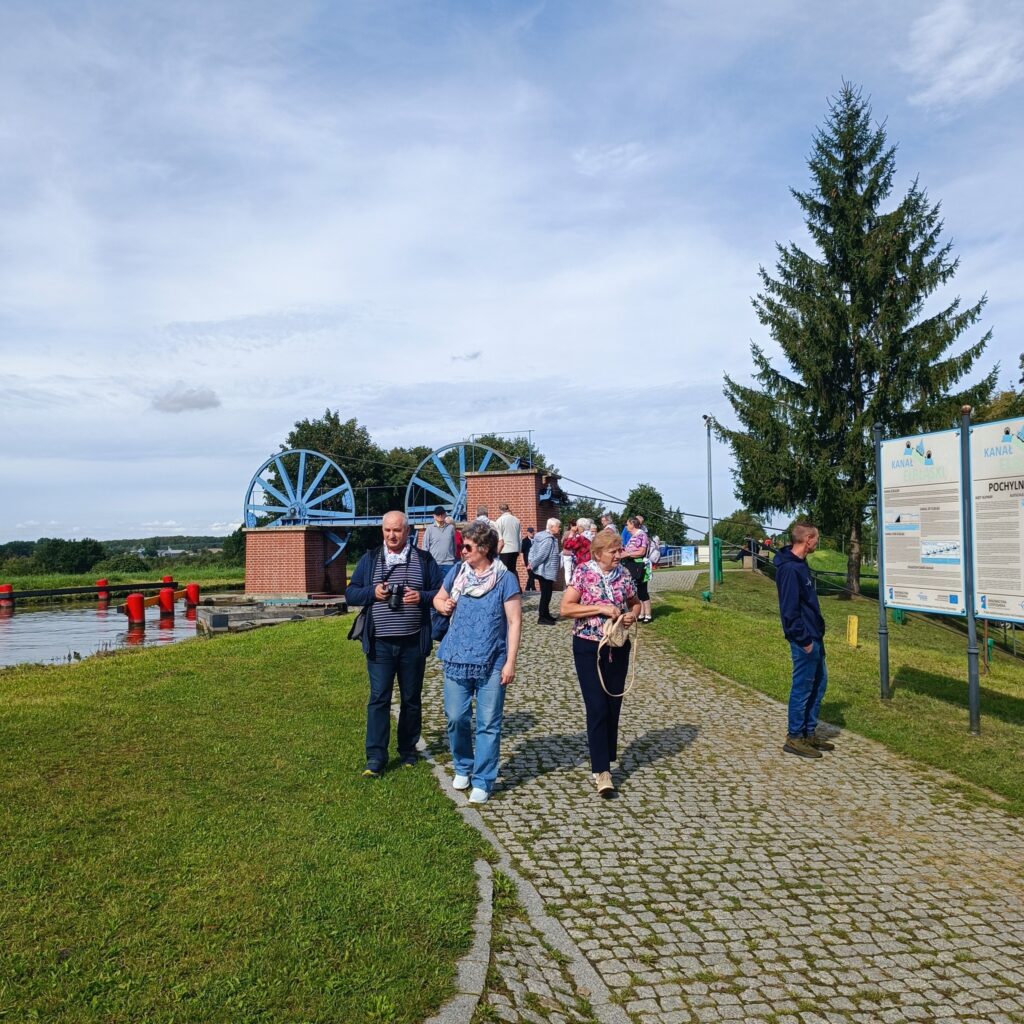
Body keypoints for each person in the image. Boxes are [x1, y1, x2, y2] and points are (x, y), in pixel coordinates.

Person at [346, 511, 444, 778]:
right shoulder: (370, 559)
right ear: (382, 531)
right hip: (380, 644)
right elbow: (351, 593)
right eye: (387, 530)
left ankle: (408, 750)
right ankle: (375, 757)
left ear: (407, 531)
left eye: (397, 531)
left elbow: (442, 591)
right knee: (379, 699)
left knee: (411, 699)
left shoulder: (423, 560)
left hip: (413, 642)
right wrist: (373, 593)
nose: (392, 535)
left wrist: (421, 597)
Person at [433, 521, 522, 804]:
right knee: (456, 717)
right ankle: (463, 765)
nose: (463, 551)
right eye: (462, 545)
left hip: (492, 659)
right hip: (457, 657)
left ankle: (483, 779)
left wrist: (510, 661)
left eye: (468, 546)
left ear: (484, 549)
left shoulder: (505, 579)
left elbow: (514, 621)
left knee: (488, 723)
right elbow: (438, 598)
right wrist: (442, 605)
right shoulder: (459, 573)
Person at [560, 529, 641, 796]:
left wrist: (631, 616)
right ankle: (602, 770)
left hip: (617, 646)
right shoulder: (583, 572)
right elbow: (566, 608)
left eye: (620, 550)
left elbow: (635, 602)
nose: (619, 555)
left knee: (612, 703)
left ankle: (605, 754)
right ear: (598, 553)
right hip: (587, 645)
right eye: (614, 551)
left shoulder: (624, 574)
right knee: (596, 706)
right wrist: (600, 608)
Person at [774, 523, 832, 759]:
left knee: (819, 684)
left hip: (815, 636)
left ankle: (809, 732)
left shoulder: (801, 564)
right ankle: (795, 737)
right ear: (808, 539)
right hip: (805, 639)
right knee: (803, 687)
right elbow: (789, 610)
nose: (817, 542)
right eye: (816, 539)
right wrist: (803, 639)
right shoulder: (789, 569)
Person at [527, 517, 561, 624]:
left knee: (547, 593)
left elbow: (532, 550)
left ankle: (546, 614)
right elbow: (543, 555)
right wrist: (532, 564)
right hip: (546, 570)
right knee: (546, 594)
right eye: (558, 526)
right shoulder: (548, 539)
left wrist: (531, 561)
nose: (559, 528)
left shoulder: (540, 536)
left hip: (543, 570)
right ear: (551, 527)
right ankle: (542, 617)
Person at [621, 516, 653, 622]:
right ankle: (641, 613)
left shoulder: (641, 535)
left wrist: (627, 554)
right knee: (637, 590)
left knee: (642, 590)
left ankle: (648, 614)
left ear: (632, 524)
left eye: (627, 524)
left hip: (639, 565)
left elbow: (641, 552)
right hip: (632, 564)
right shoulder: (634, 536)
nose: (626, 526)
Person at [423, 504, 457, 573]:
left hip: (449, 563)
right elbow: (425, 546)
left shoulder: (451, 528)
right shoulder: (429, 529)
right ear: (434, 516)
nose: (440, 516)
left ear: (445, 515)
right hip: (434, 563)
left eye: (442, 514)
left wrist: (453, 557)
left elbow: (454, 545)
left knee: (449, 584)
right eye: (438, 514)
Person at [494, 502, 522, 574]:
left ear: (500, 510)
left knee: (504, 572)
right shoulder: (516, 520)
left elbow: (499, 538)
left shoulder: (499, 521)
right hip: (515, 549)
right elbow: (520, 536)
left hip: (505, 550)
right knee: (513, 571)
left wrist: (496, 551)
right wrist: (519, 550)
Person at [521, 526, 536, 591]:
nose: (532, 533)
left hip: (534, 559)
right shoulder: (525, 541)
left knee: (532, 574)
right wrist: (522, 560)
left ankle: (527, 588)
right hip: (527, 560)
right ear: (527, 533)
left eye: (532, 532)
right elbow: (521, 552)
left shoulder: (535, 540)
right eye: (530, 532)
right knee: (530, 573)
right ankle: (533, 588)